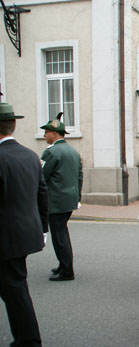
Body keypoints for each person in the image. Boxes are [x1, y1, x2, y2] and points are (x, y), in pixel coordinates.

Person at [0, 102, 48, 346]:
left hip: (5, 236)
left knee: (15, 291)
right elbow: (42, 192)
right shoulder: (30, 155)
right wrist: (43, 228)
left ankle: (28, 341)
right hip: (24, 232)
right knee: (14, 288)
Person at [40, 113, 82, 281]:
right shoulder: (74, 152)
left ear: (55, 134)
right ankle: (63, 264)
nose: (44, 135)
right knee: (61, 232)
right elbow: (80, 177)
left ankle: (67, 270)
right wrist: (77, 197)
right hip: (70, 200)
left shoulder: (50, 152)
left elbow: (42, 177)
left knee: (59, 235)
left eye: (47, 132)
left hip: (55, 201)